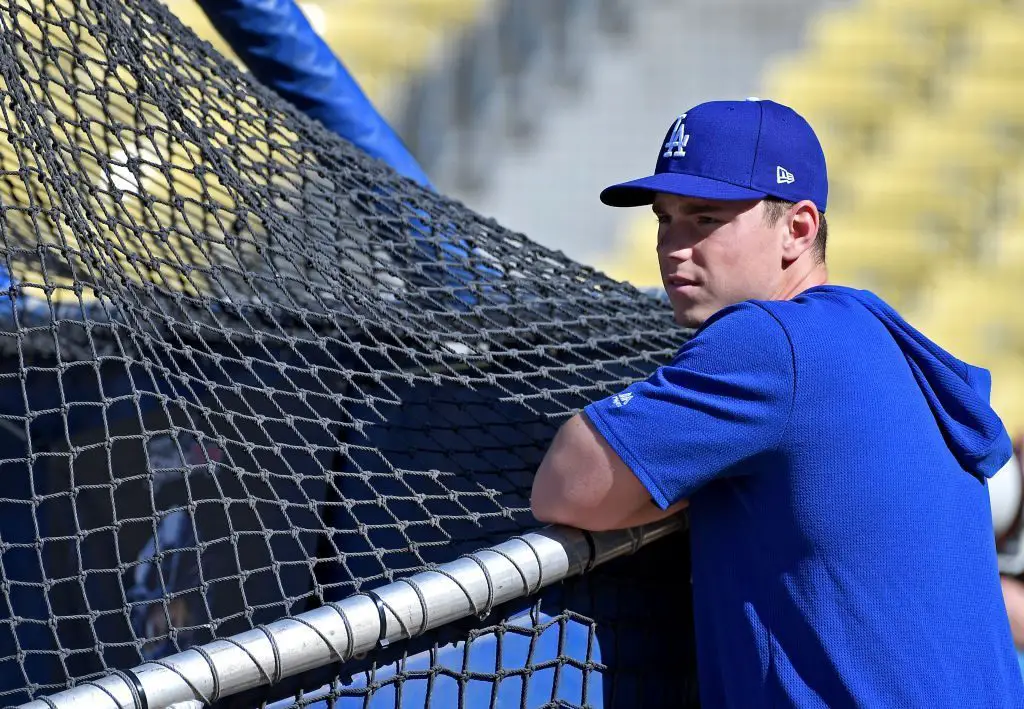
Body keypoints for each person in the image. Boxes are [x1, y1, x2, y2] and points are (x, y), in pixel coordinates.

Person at [529, 98, 1024, 708]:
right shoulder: (877, 336)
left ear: (798, 228)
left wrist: (686, 484)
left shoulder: (771, 339)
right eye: (665, 219)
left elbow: (566, 486)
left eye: (705, 218)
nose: (674, 247)